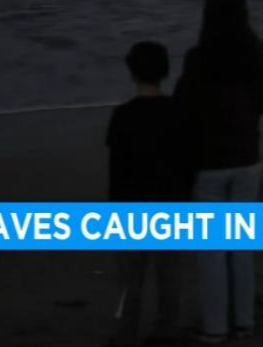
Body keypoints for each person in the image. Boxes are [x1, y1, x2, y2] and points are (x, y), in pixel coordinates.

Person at [174, 0, 263, 343]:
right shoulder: (256, 50)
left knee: (212, 250)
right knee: (242, 245)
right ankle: (245, 320)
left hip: (209, 162)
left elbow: (182, 111)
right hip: (248, 157)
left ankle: (216, 326)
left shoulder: (198, 58)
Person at [106, 41, 192, 346]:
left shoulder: (122, 117)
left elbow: (117, 171)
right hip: (170, 201)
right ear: (165, 72)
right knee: (169, 274)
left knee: (130, 279)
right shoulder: (178, 113)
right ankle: (166, 328)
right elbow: (186, 163)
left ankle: (126, 331)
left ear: (132, 72)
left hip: (131, 203)